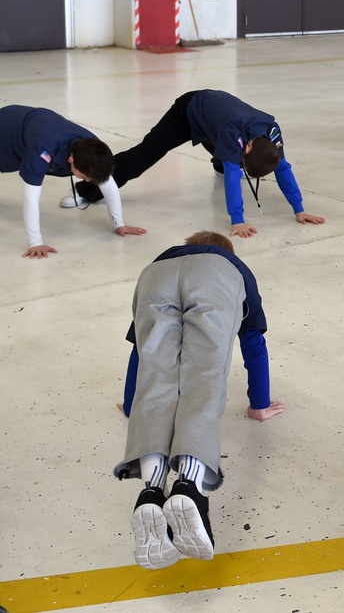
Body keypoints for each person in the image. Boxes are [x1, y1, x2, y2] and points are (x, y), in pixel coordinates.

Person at [113, 230, 286, 569]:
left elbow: (142, 354)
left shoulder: (164, 259)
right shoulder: (232, 268)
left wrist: (132, 403)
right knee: (202, 380)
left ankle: (150, 491)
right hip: (213, 284)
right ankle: (188, 487)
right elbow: (253, 345)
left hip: (155, 278)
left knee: (156, 375)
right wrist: (259, 405)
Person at [60, 90, 325, 239]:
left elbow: (283, 168)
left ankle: (220, 162)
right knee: (145, 154)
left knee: (226, 158)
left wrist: (299, 209)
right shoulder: (234, 134)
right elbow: (234, 177)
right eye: (242, 160)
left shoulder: (272, 136)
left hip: (216, 123)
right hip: (189, 112)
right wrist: (238, 221)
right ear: (246, 147)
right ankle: (88, 189)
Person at [0, 104, 146, 258]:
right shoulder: (42, 149)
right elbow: (30, 198)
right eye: (83, 177)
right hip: (6, 130)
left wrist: (119, 224)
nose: (87, 181)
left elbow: (109, 185)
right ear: (71, 159)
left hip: (34, 122)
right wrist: (35, 242)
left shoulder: (93, 149)